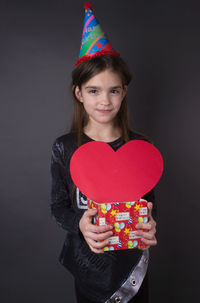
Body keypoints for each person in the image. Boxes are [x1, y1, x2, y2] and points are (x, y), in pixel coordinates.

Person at [50, 2, 157, 303]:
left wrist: (150, 223)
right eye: (94, 90)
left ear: (124, 92)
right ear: (79, 93)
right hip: (88, 265)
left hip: (133, 266)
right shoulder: (65, 147)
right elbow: (58, 206)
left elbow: (150, 205)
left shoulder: (141, 149)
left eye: (114, 90)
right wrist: (79, 224)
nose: (105, 101)